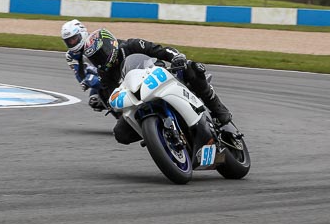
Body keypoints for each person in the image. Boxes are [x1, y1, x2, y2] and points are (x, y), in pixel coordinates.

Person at [83, 28, 233, 144]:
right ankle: (159, 137)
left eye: (101, 54)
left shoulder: (131, 45)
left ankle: (218, 110)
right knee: (120, 133)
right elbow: (112, 96)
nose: (100, 60)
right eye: (95, 59)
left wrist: (176, 57)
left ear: (110, 44)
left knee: (191, 68)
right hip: (139, 99)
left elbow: (159, 50)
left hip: (159, 77)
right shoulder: (105, 74)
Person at [60, 19, 100, 93]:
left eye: (74, 39)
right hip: (98, 77)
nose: (71, 42)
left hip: (111, 71)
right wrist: (88, 80)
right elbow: (81, 77)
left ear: (82, 34)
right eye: (68, 41)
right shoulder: (70, 55)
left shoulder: (97, 40)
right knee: (94, 99)